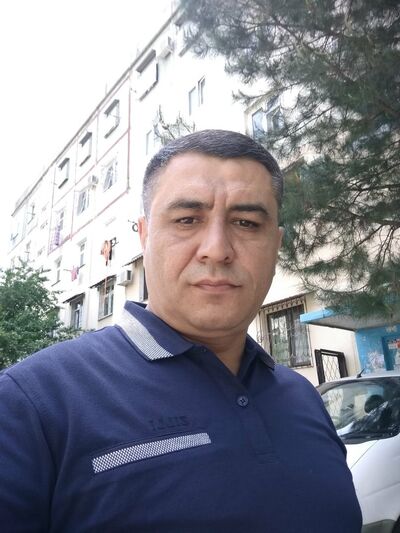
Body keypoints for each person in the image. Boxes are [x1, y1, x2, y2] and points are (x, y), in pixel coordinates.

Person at [0, 130, 361, 532]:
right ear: (145, 236)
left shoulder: (304, 398)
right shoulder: (30, 405)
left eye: (246, 222)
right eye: (187, 220)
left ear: (276, 245)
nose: (217, 249)